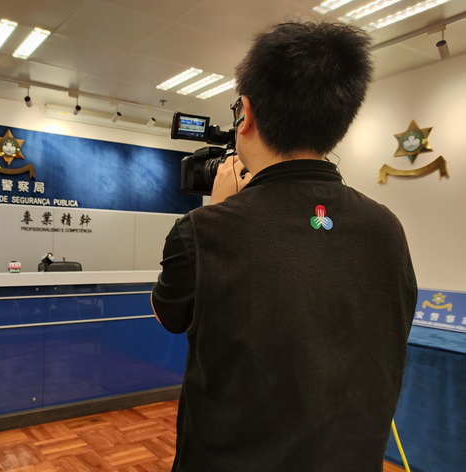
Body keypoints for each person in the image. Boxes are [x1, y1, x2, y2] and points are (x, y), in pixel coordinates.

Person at [152, 20, 417, 472]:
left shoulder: (204, 230)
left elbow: (168, 315)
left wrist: (219, 211)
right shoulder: (386, 227)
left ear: (245, 113)